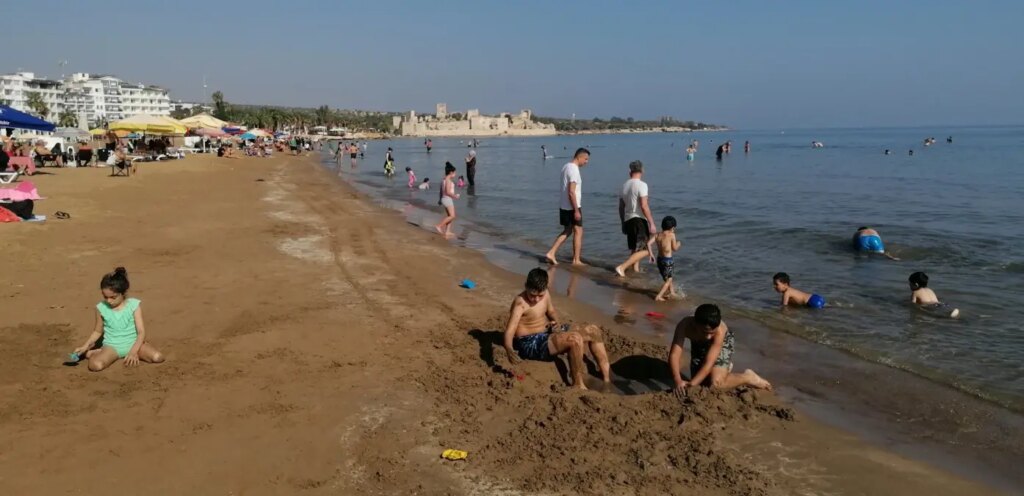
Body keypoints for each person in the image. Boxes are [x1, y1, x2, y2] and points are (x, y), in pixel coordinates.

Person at [504, 268, 611, 389]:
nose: (536, 299)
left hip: (546, 332)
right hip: (530, 342)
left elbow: (551, 311)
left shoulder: (546, 294)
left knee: (593, 330)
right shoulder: (520, 303)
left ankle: (606, 378)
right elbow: (510, 330)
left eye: (540, 295)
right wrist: (509, 348)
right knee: (575, 339)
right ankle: (578, 384)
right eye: (532, 295)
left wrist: (556, 323)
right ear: (526, 287)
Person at [71, 267, 165, 372]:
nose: (109, 301)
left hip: (133, 344)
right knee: (95, 365)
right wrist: (85, 346)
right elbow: (97, 331)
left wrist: (133, 352)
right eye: (105, 297)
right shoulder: (101, 308)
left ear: (123, 293)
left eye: (113, 297)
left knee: (158, 357)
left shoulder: (134, 305)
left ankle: (96, 352)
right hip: (112, 347)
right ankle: (95, 352)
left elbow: (141, 332)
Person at [668, 304, 772, 391]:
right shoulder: (684, 325)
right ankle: (724, 369)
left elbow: (709, 362)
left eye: (711, 333)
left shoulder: (720, 331)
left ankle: (748, 377)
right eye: (705, 332)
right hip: (698, 342)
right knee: (703, 384)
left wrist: (692, 384)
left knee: (716, 384)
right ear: (695, 324)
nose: (708, 337)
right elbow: (674, 354)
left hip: (720, 343)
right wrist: (678, 380)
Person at [544, 148, 589, 266]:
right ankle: (576, 260)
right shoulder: (574, 170)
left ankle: (551, 252)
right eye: (586, 159)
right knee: (578, 231)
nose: (586, 162)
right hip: (572, 206)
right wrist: (576, 210)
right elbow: (571, 192)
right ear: (579, 157)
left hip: (563, 205)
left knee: (568, 230)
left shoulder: (565, 166)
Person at [613, 160, 657, 277]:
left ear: (630, 171)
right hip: (638, 220)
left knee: (634, 249)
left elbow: (621, 207)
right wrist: (651, 223)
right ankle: (622, 267)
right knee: (646, 249)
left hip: (628, 219)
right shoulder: (642, 185)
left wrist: (622, 222)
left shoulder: (624, 186)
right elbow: (644, 205)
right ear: (642, 170)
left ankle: (634, 272)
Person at [653, 216, 682, 301]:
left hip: (659, 260)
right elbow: (674, 248)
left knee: (666, 277)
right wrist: (679, 243)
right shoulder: (672, 235)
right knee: (669, 279)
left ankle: (671, 292)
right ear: (672, 227)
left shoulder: (658, 234)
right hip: (668, 261)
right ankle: (659, 296)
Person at [434, 162, 459, 236]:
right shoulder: (448, 180)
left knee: (449, 216)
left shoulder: (443, 180)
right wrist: (455, 196)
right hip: (447, 199)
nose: (455, 174)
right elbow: (448, 192)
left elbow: (441, 191)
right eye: (455, 173)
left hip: (444, 199)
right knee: (452, 216)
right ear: (451, 172)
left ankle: (447, 231)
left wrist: (440, 199)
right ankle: (439, 226)